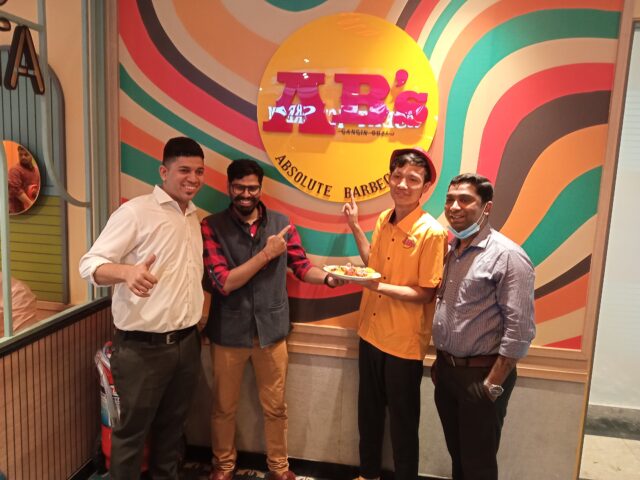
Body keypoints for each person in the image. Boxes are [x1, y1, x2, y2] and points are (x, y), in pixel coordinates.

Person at [201, 159, 344, 480]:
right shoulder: (211, 226)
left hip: (272, 332)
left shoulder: (282, 224)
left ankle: (279, 467)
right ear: (229, 187)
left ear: (260, 188)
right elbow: (224, 282)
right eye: (239, 187)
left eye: (252, 188)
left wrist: (329, 278)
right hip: (228, 332)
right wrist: (267, 254)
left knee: (276, 407)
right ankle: (223, 465)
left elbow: (302, 266)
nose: (246, 194)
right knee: (223, 407)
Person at [79, 136, 206, 479]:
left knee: (172, 432)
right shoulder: (136, 212)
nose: (193, 178)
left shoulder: (192, 217)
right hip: (141, 349)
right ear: (164, 172)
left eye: (199, 171)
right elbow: (89, 265)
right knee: (131, 435)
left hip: (186, 343)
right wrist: (126, 272)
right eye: (184, 170)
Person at [341, 148, 447, 480]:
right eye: (397, 176)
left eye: (412, 179)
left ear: (425, 187)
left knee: (403, 424)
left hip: (403, 344)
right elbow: (373, 263)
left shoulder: (432, 233)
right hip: (369, 333)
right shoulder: (383, 219)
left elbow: (426, 293)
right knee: (368, 415)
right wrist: (354, 225)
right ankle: (368, 474)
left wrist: (378, 287)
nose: (402, 184)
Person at [431, 173, 536, 480]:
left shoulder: (507, 256)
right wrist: (441, 367)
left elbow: (520, 331)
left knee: (478, 466)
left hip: (482, 375)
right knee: (459, 459)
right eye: (450, 199)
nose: (454, 207)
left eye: (465, 200)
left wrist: (491, 384)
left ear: (486, 207)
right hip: (448, 372)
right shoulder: (452, 252)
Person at [8, 145, 40, 214]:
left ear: (31, 155)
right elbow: (16, 190)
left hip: (30, 208)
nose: (23, 157)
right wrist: (31, 204)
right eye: (20, 155)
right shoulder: (14, 170)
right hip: (17, 211)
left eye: (26, 154)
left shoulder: (37, 170)